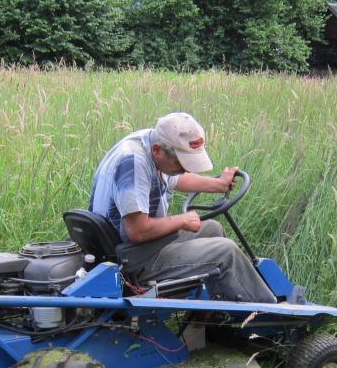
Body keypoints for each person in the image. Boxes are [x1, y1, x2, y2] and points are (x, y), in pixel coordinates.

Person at [89, 112, 277, 304]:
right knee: (225, 251)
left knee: (212, 228)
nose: (185, 168)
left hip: (133, 247)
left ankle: (218, 314)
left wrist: (218, 184)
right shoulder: (133, 163)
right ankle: (268, 314)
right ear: (157, 151)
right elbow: (138, 231)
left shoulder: (150, 142)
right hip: (132, 259)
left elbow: (175, 176)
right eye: (181, 163)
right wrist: (181, 220)